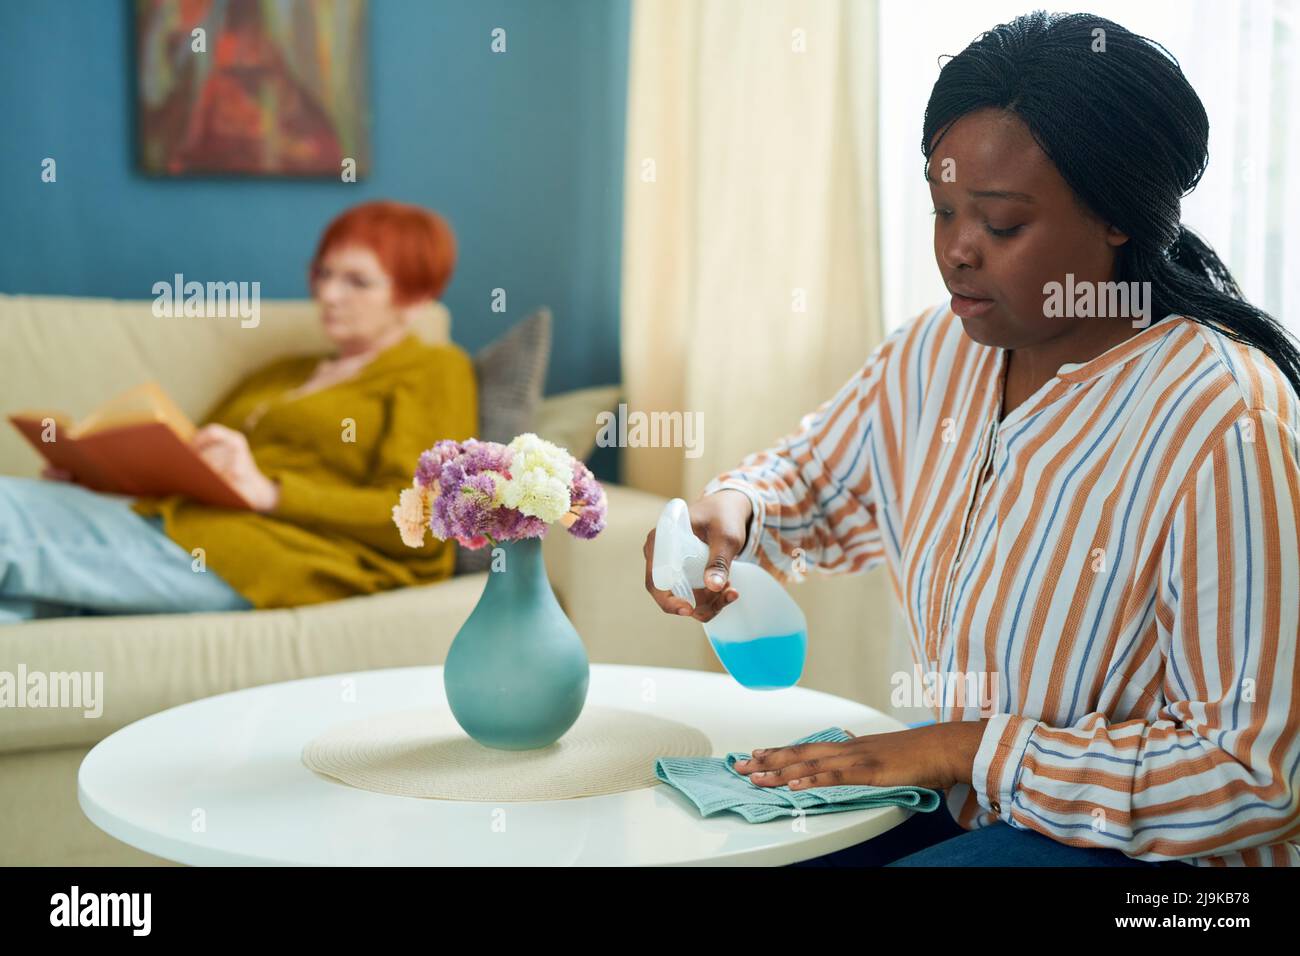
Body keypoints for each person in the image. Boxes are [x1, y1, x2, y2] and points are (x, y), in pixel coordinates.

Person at [643, 12, 1300, 866]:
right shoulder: (937, 350)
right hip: (972, 809)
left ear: (1117, 217)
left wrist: (964, 747)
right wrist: (735, 511)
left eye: (999, 225)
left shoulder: (1225, 422)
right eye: (942, 211)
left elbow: (1254, 778)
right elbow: (819, 480)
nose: (957, 252)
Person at [0, 200, 477, 623]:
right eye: (323, 273)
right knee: (15, 602)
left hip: (272, 552)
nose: (328, 294)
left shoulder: (435, 369)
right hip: (179, 518)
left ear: (415, 299)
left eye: (357, 281)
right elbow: (193, 459)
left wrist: (271, 494)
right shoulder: (279, 372)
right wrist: (96, 475)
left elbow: (425, 514)